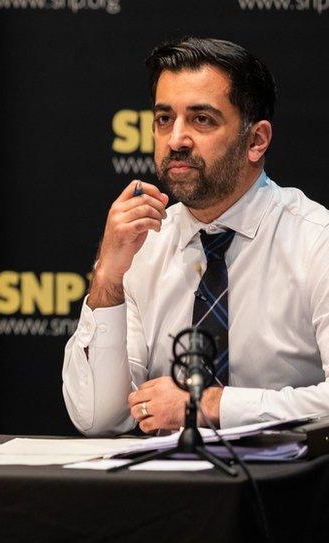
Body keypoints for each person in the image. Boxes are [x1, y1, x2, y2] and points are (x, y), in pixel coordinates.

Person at [62, 37, 329, 436]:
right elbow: (98, 417)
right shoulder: (144, 245)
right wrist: (107, 282)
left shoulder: (315, 240)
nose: (176, 140)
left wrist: (210, 405)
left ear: (256, 140)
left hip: (288, 491)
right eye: (164, 119)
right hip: (173, 493)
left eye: (202, 119)